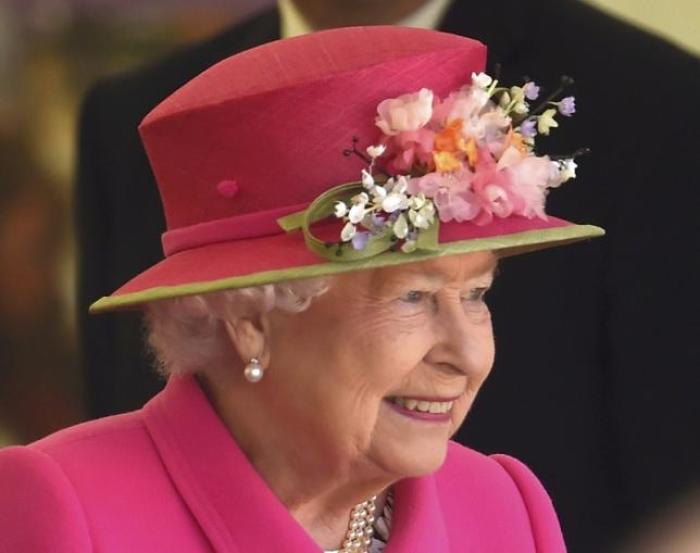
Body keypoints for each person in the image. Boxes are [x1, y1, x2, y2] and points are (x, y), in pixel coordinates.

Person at [76, 1, 700, 551]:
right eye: (413, 296)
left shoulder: (510, 506)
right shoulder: (68, 510)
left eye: (478, 294)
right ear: (245, 318)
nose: (470, 355)